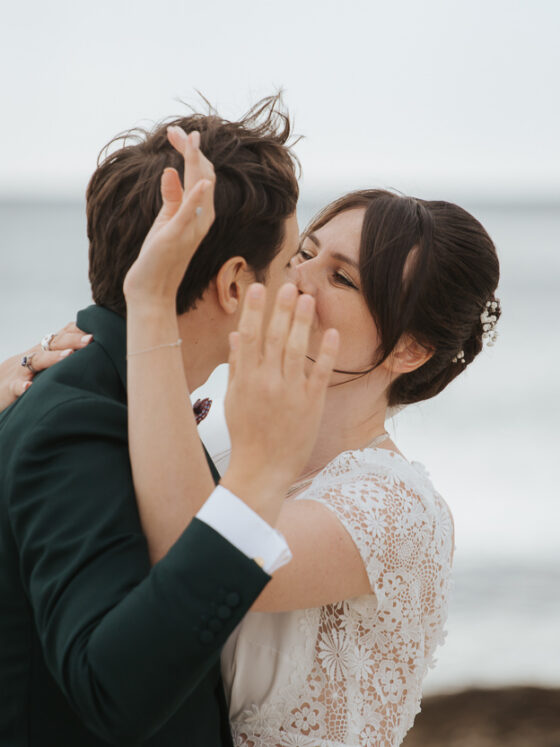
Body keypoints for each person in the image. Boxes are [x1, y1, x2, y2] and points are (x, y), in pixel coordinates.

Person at [2, 116, 501, 746]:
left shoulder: (396, 511)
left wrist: (152, 304)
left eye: (341, 278)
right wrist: (21, 379)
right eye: (304, 253)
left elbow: (191, 547)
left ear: (409, 350)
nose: (296, 278)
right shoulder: (212, 439)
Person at [0, 98, 339, 746]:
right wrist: (259, 476)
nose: (302, 284)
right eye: (292, 258)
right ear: (236, 283)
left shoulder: (104, 399)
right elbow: (111, 690)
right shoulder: (75, 422)